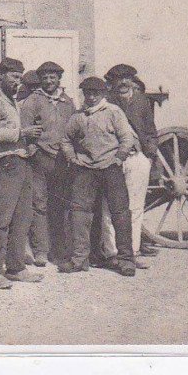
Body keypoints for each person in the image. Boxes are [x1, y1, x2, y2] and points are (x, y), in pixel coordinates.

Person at [60, 76, 139, 276]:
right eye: (87, 93)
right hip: (85, 170)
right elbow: (66, 139)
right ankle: (79, 259)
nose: (91, 97)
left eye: (95, 93)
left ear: (103, 94)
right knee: (80, 213)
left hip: (110, 168)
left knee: (120, 214)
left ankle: (126, 260)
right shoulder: (79, 116)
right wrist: (72, 157)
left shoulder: (113, 112)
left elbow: (126, 137)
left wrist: (119, 158)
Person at [0, 57, 43, 289]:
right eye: (14, 76)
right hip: (4, 164)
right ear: (1, 75)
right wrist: (22, 133)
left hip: (20, 162)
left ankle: (15, 267)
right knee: (0, 220)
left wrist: (28, 142)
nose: (18, 82)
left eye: (19, 77)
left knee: (22, 218)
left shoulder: (8, 99)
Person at [19, 61, 76, 268]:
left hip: (62, 161)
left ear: (59, 79)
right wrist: (34, 151)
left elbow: (74, 130)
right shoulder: (32, 101)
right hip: (40, 159)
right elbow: (24, 131)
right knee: (39, 205)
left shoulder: (67, 102)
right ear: (40, 80)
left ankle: (59, 251)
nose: (49, 81)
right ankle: (41, 251)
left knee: (60, 205)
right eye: (45, 78)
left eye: (53, 77)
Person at [102, 63, 159, 261]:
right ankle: (112, 252)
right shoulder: (105, 102)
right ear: (112, 83)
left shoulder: (141, 101)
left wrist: (148, 156)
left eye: (127, 79)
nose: (123, 83)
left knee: (135, 206)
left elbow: (151, 131)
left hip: (137, 159)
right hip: (113, 160)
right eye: (118, 79)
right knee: (110, 208)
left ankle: (132, 252)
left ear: (132, 81)